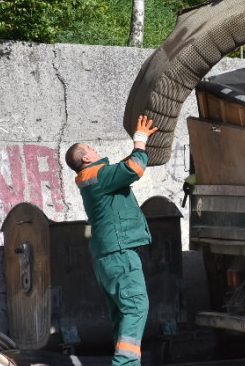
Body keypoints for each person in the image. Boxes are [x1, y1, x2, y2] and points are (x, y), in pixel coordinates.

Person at [64, 115, 159, 366]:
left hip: (106, 257)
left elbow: (120, 171)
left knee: (121, 314)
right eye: (92, 149)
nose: (96, 151)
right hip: (119, 254)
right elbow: (134, 167)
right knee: (136, 307)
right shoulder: (99, 175)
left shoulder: (92, 179)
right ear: (85, 158)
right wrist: (140, 139)